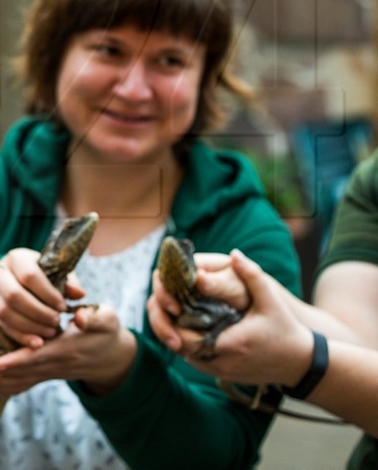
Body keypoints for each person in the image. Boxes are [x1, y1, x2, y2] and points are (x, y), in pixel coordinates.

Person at [0, 0, 302, 469]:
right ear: (55, 53)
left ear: (207, 77)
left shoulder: (244, 240)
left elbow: (220, 452)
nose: (134, 88)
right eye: (108, 49)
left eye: (169, 61)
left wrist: (121, 372)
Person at [148, 148, 378, 469]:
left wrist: (301, 361)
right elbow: (359, 351)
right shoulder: (372, 179)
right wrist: (257, 297)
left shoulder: (248, 219)